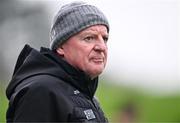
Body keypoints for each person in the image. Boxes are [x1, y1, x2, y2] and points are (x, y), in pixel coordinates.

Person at [6, 1, 110, 122]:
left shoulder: (85, 95)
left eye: (104, 38)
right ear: (61, 47)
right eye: (89, 38)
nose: (101, 47)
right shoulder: (42, 91)